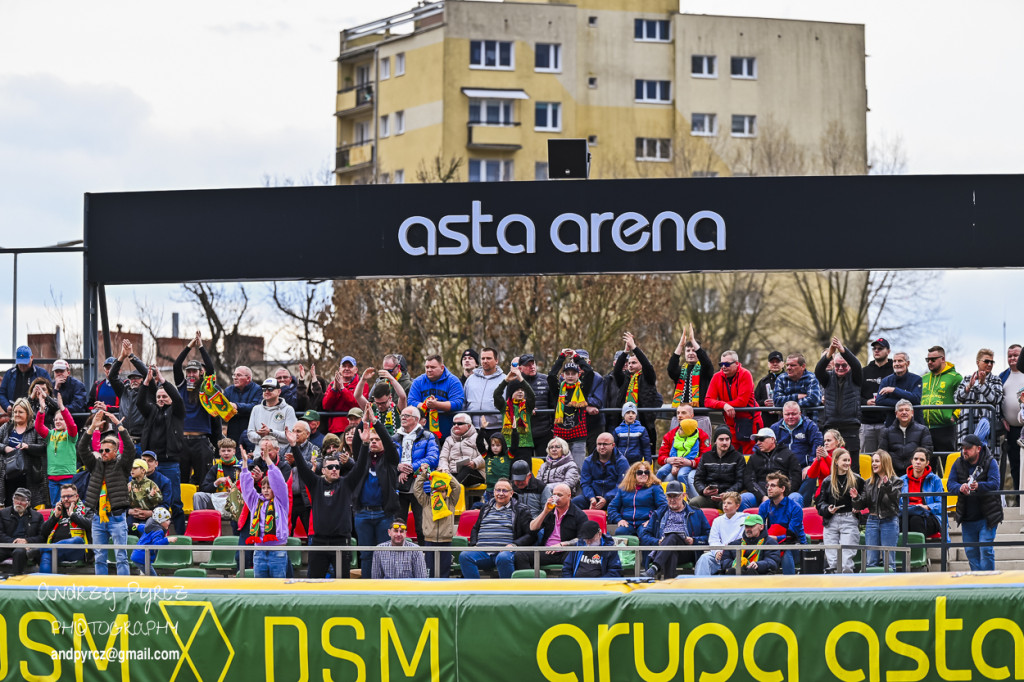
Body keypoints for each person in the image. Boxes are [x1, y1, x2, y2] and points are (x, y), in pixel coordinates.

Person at [289, 424, 362, 579]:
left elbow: (360, 468)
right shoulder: (316, 484)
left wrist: (366, 445)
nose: (334, 469)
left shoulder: (346, 484)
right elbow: (302, 468)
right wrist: (294, 446)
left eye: (336, 466)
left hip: (342, 540)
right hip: (319, 540)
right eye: (330, 467)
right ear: (323, 470)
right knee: (314, 581)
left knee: (342, 583)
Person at [77, 411, 135, 575]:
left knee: (121, 556)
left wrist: (119, 426)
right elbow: (82, 448)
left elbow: (130, 449)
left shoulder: (122, 465)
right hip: (97, 517)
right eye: (101, 450)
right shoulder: (95, 465)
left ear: (115, 451)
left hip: (117, 517)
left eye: (107, 450)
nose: (103, 453)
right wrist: (92, 428)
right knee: (100, 556)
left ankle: (124, 590)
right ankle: (101, 591)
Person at [349, 413, 401, 577]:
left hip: (383, 514)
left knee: (384, 555)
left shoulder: (390, 459)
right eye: (371, 440)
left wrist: (376, 423)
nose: (373, 442)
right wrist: (363, 421)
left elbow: (389, 442)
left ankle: (384, 588)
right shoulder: (361, 458)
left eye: (377, 440)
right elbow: (358, 442)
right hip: (362, 513)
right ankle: (367, 589)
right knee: (366, 555)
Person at [137, 365, 186, 533]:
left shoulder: (177, 411)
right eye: (158, 396)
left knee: (175, 502)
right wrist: (147, 382)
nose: (161, 399)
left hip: (170, 463)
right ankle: (152, 535)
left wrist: (162, 379)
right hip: (150, 465)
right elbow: (140, 402)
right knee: (151, 501)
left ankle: (180, 538)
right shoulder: (151, 411)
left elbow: (178, 399)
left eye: (165, 396)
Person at [461, 477, 535, 579]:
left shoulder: (520, 509)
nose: (500, 493)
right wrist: (474, 544)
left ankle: (507, 592)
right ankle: (475, 591)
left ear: (511, 493)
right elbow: (475, 529)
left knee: (503, 557)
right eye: (498, 490)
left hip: (505, 553)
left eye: (504, 490)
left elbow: (530, 535)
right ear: (494, 492)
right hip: (483, 553)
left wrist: (514, 545)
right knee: (465, 556)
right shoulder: (486, 508)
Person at [947, 434, 1002, 571]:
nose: (964, 450)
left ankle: (988, 583)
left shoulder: (991, 462)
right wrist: (960, 488)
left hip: (987, 516)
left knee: (985, 549)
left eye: (968, 448)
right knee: (971, 552)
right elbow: (950, 484)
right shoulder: (958, 463)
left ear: (978, 448)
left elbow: (995, 484)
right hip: (967, 517)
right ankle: (978, 582)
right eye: (963, 448)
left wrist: (978, 486)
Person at [173, 331, 221, 486]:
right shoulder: (182, 386)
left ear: (201, 373)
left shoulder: (205, 388)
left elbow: (212, 370)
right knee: (182, 480)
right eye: (189, 371)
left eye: (194, 371)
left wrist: (200, 346)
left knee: (203, 480)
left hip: (201, 442)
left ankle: (202, 509)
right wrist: (189, 345)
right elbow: (176, 365)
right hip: (183, 441)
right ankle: (182, 509)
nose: (191, 374)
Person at [238, 442, 290, 578]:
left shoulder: (281, 501)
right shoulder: (256, 502)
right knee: (260, 589)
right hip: (259, 551)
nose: (266, 491)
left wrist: (268, 460)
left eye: (269, 488)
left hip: (277, 551)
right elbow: (246, 488)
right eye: (263, 488)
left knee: (278, 588)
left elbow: (279, 482)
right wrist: (244, 463)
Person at [640, 480, 710, 579]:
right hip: (664, 550)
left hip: (687, 551)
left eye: (676, 496)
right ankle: (670, 585)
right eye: (669, 496)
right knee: (671, 550)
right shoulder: (658, 513)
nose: (672, 500)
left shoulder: (696, 513)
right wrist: (658, 541)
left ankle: (655, 568)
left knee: (672, 536)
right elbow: (644, 535)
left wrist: (694, 540)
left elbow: (708, 536)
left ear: (684, 495)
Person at [392, 405, 440, 543]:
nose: (403, 418)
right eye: (402, 416)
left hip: (421, 486)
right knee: (398, 526)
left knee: (421, 526)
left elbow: (433, 459)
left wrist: (410, 468)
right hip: (399, 487)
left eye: (407, 416)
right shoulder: (394, 437)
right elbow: (387, 461)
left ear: (416, 419)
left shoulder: (429, 436)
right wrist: (398, 468)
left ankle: (424, 559)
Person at [814, 448, 864, 574]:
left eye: (848, 460)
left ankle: (848, 589)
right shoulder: (827, 481)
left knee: (846, 562)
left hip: (849, 519)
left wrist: (857, 501)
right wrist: (828, 509)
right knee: (833, 562)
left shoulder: (857, 479)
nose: (847, 463)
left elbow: (866, 498)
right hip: (831, 520)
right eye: (844, 460)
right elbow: (819, 503)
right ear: (836, 461)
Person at [705, 350, 762, 455]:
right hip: (730, 423)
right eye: (721, 364)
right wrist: (724, 405)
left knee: (750, 456)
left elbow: (742, 401)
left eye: (727, 364)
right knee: (728, 455)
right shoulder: (717, 377)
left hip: (750, 421)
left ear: (736, 363)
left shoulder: (745, 374)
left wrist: (726, 405)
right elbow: (708, 400)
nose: (723, 367)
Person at [612, 332, 660, 456]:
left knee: (646, 456)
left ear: (640, 365)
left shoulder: (648, 377)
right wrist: (625, 352)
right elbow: (616, 371)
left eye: (634, 363)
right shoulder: (625, 379)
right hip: (624, 425)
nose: (631, 365)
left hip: (645, 423)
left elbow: (648, 365)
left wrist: (635, 348)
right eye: (629, 363)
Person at [814, 337, 864, 455]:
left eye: (844, 365)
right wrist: (830, 352)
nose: (840, 368)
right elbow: (818, 370)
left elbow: (857, 365)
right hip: (831, 425)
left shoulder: (855, 377)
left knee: (853, 465)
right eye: (837, 365)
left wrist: (843, 351)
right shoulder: (828, 378)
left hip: (851, 426)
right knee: (832, 462)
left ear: (849, 366)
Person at [854, 450, 902, 570]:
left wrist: (887, 485)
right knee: (870, 561)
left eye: (877, 461)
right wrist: (856, 498)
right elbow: (862, 504)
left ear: (885, 463)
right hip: (872, 521)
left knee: (889, 561)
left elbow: (895, 500)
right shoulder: (868, 483)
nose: (873, 464)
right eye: (872, 461)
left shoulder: (896, 481)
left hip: (889, 521)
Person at [548, 349, 595, 468]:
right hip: (560, 437)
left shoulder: (582, 389)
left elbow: (590, 372)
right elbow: (551, 376)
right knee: (558, 469)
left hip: (579, 437)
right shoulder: (558, 391)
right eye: (567, 373)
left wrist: (576, 357)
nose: (570, 376)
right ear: (563, 375)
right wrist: (562, 357)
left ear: (578, 375)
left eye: (573, 373)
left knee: (578, 470)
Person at [412, 465, 461, 577]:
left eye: (443, 491)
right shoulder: (426, 501)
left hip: (446, 541)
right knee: (430, 572)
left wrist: (446, 475)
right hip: (429, 540)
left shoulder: (451, 502)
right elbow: (417, 489)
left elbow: (457, 487)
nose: (440, 492)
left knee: (444, 572)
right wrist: (424, 475)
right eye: (436, 490)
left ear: (447, 492)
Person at [667, 324, 714, 433]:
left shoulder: (704, 370)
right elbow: (671, 369)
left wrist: (693, 341)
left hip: (699, 415)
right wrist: (680, 345)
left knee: (701, 448)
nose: (691, 353)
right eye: (688, 351)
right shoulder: (680, 370)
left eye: (694, 350)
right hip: (680, 416)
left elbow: (707, 364)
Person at [529, 482, 590, 568]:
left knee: (575, 555)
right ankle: (533, 580)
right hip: (547, 551)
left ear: (569, 496)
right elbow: (532, 528)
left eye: (559, 495)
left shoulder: (579, 515)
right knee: (521, 555)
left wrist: (563, 544)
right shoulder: (549, 511)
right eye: (554, 495)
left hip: (566, 552)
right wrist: (545, 511)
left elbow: (583, 538)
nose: (556, 498)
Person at [33, 389, 77, 505]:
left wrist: (62, 408)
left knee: (68, 504)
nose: (58, 421)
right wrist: (42, 410)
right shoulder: (50, 434)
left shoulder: (70, 435)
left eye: (61, 419)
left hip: (67, 476)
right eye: (56, 419)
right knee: (55, 506)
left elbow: (72, 426)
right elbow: (38, 427)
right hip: (53, 477)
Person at [0, 397, 46, 508]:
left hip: (29, 475)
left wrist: (28, 447)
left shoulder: (36, 427)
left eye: (20, 412)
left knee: (27, 506)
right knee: (10, 507)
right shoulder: (6, 427)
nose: (17, 414)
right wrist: (5, 448)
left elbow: (43, 448)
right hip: (8, 474)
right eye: (15, 412)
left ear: (28, 413)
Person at [757, 472, 806, 575]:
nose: (769, 488)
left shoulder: (795, 507)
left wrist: (774, 539)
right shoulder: (764, 506)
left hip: (796, 546)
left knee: (784, 548)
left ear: (782, 489)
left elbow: (791, 536)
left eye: (773, 486)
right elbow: (758, 529)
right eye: (768, 486)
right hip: (773, 544)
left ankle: (790, 584)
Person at [742, 427, 802, 510]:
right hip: (761, 494)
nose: (758, 443)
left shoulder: (788, 455)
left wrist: (783, 495)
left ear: (772, 439)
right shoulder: (754, 458)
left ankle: (792, 523)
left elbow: (796, 478)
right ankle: (751, 523)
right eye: (756, 440)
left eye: (761, 439)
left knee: (796, 497)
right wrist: (762, 496)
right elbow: (749, 480)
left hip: (783, 493)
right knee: (744, 498)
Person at [408, 355, 466, 440]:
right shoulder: (418, 381)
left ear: (442, 368)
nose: (429, 370)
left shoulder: (453, 381)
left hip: (449, 435)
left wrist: (437, 405)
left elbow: (458, 403)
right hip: (423, 434)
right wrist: (425, 405)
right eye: (427, 367)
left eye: (432, 367)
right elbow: (411, 402)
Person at [954, 348, 1004, 447]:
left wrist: (983, 384)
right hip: (968, 425)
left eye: (992, 362)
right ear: (978, 362)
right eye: (986, 361)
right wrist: (968, 387)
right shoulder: (968, 378)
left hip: (988, 428)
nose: (989, 364)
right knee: (967, 456)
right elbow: (957, 399)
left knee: (987, 458)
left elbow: (996, 399)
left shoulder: (996, 380)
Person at [38, 483, 92, 573]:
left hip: (76, 551)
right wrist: (55, 517)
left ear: (77, 496)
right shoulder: (57, 511)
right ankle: (45, 585)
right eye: (63, 497)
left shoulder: (86, 510)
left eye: (69, 496)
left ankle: (42, 548)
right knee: (46, 556)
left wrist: (72, 515)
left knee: (77, 540)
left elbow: (90, 525)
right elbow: (43, 531)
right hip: (57, 552)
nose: (66, 499)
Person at [693, 491, 747, 576]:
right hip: (719, 553)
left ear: (737, 506)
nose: (725, 505)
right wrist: (717, 551)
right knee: (705, 558)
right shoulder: (718, 520)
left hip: (736, 554)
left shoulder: (744, 519)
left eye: (729, 503)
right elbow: (713, 539)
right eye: (724, 502)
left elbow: (741, 539)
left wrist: (727, 552)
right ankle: (701, 585)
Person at [691, 426, 745, 509]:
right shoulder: (706, 457)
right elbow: (698, 479)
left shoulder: (738, 457)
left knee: (729, 505)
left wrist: (728, 493)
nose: (724, 442)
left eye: (727, 439)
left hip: (728, 496)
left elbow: (740, 481)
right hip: (709, 496)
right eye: (721, 439)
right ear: (715, 441)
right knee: (693, 503)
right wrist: (703, 491)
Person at [921, 346, 963, 453]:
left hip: (946, 427)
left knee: (947, 463)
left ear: (943, 359)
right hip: (926, 428)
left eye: (933, 360)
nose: (930, 362)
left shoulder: (955, 377)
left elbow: (964, 398)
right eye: (927, 360)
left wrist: (955, 415)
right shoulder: (923, 378)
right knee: (927, 464)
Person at [607, 461, 667, 535]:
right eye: (640, 472)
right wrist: (619, 520)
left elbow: (663, 506)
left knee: (644, 534)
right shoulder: (624, 489)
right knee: (620, 532)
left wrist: (652, 520)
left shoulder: (655, 488)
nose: (644, 474)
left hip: (646, 522)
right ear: (633, 475)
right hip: (628, 523)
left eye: (646, 472)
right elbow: (612, 507)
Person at [108, 341, 151, 442]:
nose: (134, 380)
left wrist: (131, 356)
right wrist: (122, 357)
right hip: (124, 439)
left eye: (137, 378)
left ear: (143, 379)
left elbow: (146, 373)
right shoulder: (124, 391)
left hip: (142, 440)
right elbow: (112, 376)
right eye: (132, 378)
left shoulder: (148, 392)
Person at [493, 363, 535, 465]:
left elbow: (532, 395)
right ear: (511, 393)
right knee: (509, 474)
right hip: (508, 444)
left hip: (525, 446)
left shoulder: (527, 406)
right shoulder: (504, 406)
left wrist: (521, 378)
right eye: (516, 390)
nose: (520, 392)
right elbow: (496, 395)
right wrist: (506, 380)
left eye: (522, 390)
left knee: (525, 474)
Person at [575, 432, 629, 510]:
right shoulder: (588, 461)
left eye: (605, 444)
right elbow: (585, 483)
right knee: (574, 502)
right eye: (599, 444)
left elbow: (623, 485)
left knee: (627, 503)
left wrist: (607, 498)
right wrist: (591, 498)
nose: (602, 447)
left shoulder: (622, 461)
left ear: (613, 445)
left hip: (614, 498)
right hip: (592, 498)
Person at [880, 399, 934, 473]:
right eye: (901, 410)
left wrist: (915, 464)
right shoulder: (887, 432)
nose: (904, 412)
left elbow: (928, 451)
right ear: (896, 414)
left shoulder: (923, 430)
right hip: (893, 473)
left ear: (912, 413)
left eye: (907, 410)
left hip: (916, 472)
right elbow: (882, 453)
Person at [192, 438, 243, 516]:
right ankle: (200, 520)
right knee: (198, 496)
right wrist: (216, 482)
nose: (226, 453)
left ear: (234, 452)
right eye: (223, 451)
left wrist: (234, 490)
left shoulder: (241, 466)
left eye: (229, 451)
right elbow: (204, 488)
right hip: (218, 498)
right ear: (219, 452)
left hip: (236, 499)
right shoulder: (215, 468)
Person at [900, 447, 944, 538]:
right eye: (915, 459)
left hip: (929, 515)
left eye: (922, 460)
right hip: (906, 514)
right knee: (900, 521)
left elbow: (942, 505)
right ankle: (903, 551)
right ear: (911, 461)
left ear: (927, 463)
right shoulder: (901, 480)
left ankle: (918, 551)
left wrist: (926, 507)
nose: (918, 462)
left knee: (915, 520)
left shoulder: (935, 480)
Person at [861, 338, 894, 453]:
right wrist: (865, 402)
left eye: (880, 348)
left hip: (888, 423)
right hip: (867, 423)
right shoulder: (864, 371)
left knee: (886, 458)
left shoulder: (894, 371)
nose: (876, 351)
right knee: (866, 458)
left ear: (888, 351)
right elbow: (855, 395)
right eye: (874, 348)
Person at [0, 487, 44, 574]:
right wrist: (14, 542)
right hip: (7, 545)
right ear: (13, 499)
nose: (19, 502)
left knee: (19, 552)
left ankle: (16, 580)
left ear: (28, 503)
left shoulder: (37, 516)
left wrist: (27, 541)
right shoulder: (3, 513)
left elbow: (42, 537)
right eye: (16, 499)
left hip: (25, 548)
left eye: (23, 500)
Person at [998, 344, 1024, 495]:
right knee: (1014, 464)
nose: (1013, 358)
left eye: (1016, 355)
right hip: (1012, 430)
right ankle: (1017, 497)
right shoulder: (1002, 376)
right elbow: (996, 402)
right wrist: (1002, 418)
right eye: (1010, 356)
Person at [463, 347, 506, 435]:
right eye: (483, 358)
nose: (485, 361)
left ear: (496, 361)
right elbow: (464, 402)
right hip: (473, 429)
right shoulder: (471, 379)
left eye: (489, 358)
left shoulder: (505, 379)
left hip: (497, 428)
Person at [771, 401, 824, 472]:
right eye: (787, 414)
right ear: (783, 415)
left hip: (803, 468)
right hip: (780, 469)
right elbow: (763, 444)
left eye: (794, 414)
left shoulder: (810, 426)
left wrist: (811, 466)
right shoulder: (775, 428)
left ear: (800, 413)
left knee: (811, 476)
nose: (790, 417)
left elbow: (818, 445)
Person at [873, 352, 923, 426]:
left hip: (914, 424)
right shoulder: (886, 381)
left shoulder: (916, 379)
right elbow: (879, 400)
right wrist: (906, 403)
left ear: (907, 363)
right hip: (892, 424)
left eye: (900, 361)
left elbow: (916, 399)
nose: (896, 364)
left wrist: (894, 390)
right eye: (894, 361)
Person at [518, 353, 552, 459]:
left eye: (533, 363)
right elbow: (508, 404)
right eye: (528, 365)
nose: (532, 367)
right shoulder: (515, 382)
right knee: (525, 465)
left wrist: (553, 428)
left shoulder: (546, 380)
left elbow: (553, 404)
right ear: (520, 368)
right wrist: (524, 408)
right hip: (523, 433)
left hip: (544, 431)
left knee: (545, 464)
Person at [247, 377, 298, 448]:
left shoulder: (288, 409)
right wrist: (263, 436)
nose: (267, 391)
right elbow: (250, 435)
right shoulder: (256, 409)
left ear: (279, 392)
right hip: (260, 455)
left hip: (280, 455)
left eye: (270, 389)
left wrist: (270, 432)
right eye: (264, 389)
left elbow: (291, 436)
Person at [655, 417, 701, 494]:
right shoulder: (676, 437)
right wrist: (675, 461)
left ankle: (684, 494)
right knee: (661, 471)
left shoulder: (695, 441)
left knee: (681, 475)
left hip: (686, 463)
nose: (678, 430)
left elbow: (694, 453)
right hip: (674, 461)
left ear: (687, 431)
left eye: (681, 429)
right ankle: (655, 490)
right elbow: (673, 449)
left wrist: (683, 461)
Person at [1, 345, 51, 413]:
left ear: (32, 357)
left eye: (25, 362)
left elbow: (50, 393)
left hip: (36, 413)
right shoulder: (9, 374)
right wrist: (7, 406)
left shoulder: (42, 373)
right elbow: (1, 393)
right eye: (20, 363)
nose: (22, 365)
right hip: (15, 413)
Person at [438, 413, 485, 487]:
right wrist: (445, 470)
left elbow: (486, 456)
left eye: (460, 423)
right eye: (454, 424)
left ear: (468, 425)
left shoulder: (478, 438)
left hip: (475, 471)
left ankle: (452, 490)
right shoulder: (448, 440)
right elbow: (443, 458)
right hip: (452, 472)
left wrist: (474, 463)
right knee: (438, 475)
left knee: (466, 470)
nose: (456, 426)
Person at [130, 506, 179, 575]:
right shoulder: (158, 531)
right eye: (167, 520)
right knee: (153, 578)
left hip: (138, 555)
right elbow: (156, 544)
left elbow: (143, 527)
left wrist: (138, 526)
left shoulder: (150, 526)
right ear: (160, 522)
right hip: (142, 558)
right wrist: (167, 540)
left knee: (147, 575)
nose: (169, 522)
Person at [321, 357, 364, 435]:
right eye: (344, 366)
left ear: (356, 370)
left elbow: (357, 405)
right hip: (335, 428)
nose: (347, 369)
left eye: (350, 366)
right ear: (339, 369)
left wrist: (342, 389)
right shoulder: (332, 384)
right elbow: (325, 405)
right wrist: (334, 390)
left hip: (355, 428)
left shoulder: (362, 384)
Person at [222, 365, 263, 448]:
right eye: (234, 375)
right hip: (232, 432)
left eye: (239, 375)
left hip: (250, 432)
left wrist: (236, 406)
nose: (235, 378)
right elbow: (222, 409)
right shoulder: (228, 390)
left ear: (248, 378)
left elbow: (255, 407)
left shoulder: (258, 389)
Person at [803, 429, 844, 506]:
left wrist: (827, 457)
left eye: (829, 440)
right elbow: (811, 475)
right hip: (823, 492)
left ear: (837, 442)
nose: (826, 443)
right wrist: (817, 460)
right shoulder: (823, 454)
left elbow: (838, 471)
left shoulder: (843, 453)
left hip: (839, 489)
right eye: (825, 441)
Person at [127, 457, 163, 532]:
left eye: (135, 468)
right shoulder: (129, 484)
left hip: (149, 516)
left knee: (146, 528)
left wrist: (152, 496)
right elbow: (124, 501)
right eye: (131, 468)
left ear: (143, 470)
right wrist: (130, 510)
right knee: (127, 526)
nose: (132, 470)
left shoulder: (151, 484)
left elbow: (159, 500)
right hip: (133, 514)